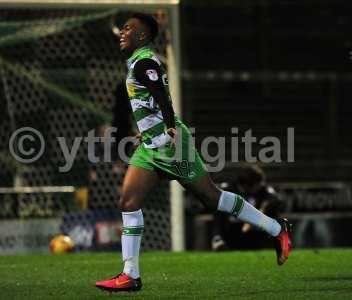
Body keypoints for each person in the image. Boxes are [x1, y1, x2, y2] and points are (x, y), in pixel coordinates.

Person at [95, 13, 291, 292]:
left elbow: (161, 94)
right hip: (151, 146)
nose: (122, 32)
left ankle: (276, 229)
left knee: (212, 197)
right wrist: (150, 128)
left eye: (128, 28)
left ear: (141, 36)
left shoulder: (146, 62)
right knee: (128, 201)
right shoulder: (139, 62)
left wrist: (170, 125)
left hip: (171, 145)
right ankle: (130, 275)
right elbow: (152, 99)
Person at [211, 165, 283, 251]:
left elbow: (274, 197)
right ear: (247, 184)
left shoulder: (264, 191)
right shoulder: (228, 190)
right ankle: (218, 239)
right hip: (231, 231)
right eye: (258, 184)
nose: (260, 186)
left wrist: (266, 205)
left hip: (257, 233)